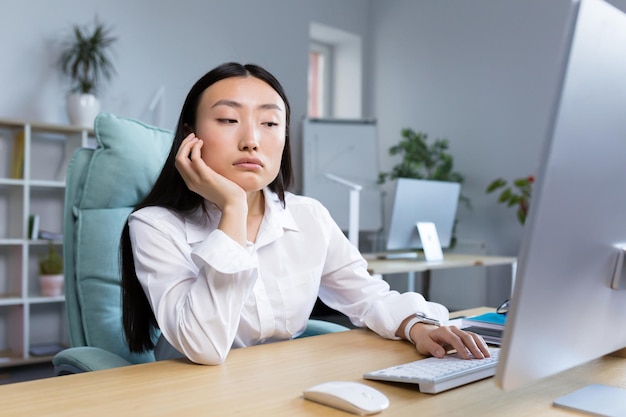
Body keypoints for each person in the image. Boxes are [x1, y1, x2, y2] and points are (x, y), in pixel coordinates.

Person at [120, 62, 489, 365]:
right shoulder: (155, 226)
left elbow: (366, 295)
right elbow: (203, 346)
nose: (251, 140)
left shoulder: (308, 216)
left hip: (288, 386)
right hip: (191, 395)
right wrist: (232, 207)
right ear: (190, 134)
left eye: (269, 123)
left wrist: (416, 326)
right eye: (229, 120)